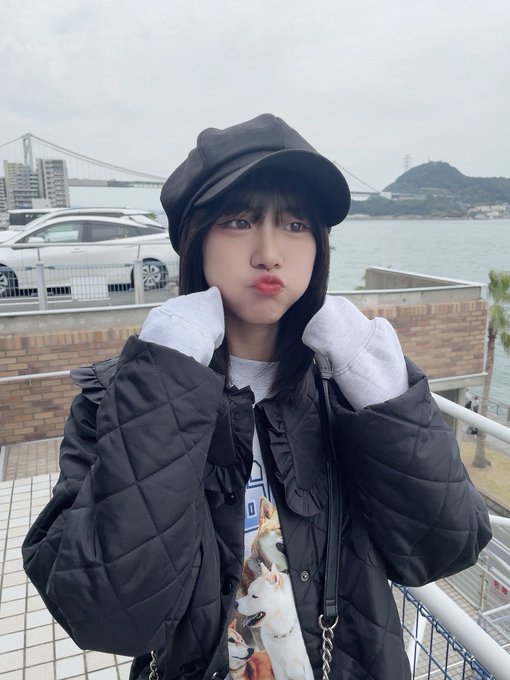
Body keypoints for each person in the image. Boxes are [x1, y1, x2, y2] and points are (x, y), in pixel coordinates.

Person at [22, 114, 491, 680]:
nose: (269, 252)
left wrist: (379, 387)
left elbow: (445, 547)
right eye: (239, 221)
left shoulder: (346, 387)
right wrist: (165, 382)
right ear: (196, 241)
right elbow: (106, 617)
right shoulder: (118, 397)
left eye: (295, 224)